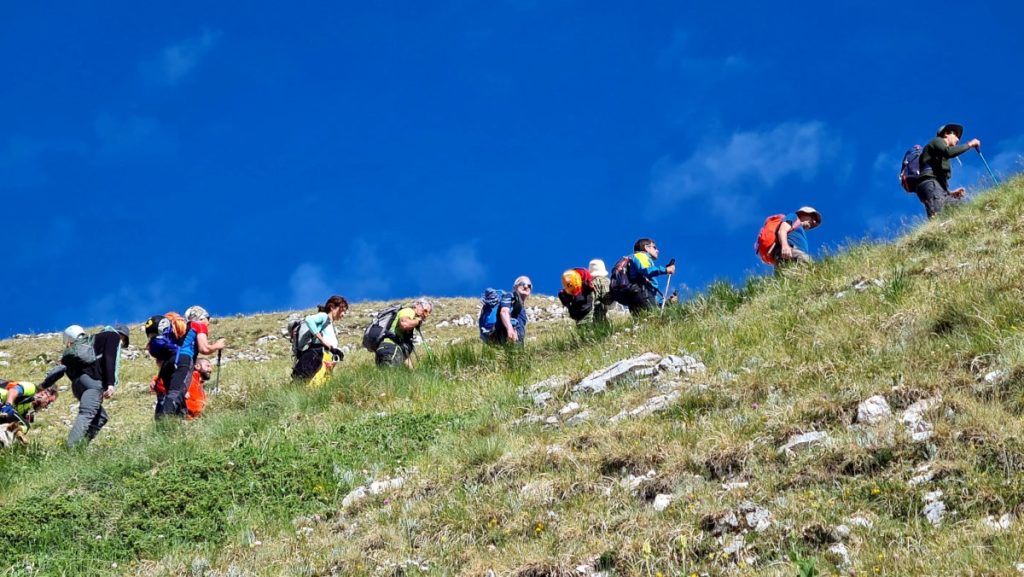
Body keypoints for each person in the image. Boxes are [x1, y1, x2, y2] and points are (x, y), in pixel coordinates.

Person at [48, 324, 130, 447]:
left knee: (101, 417)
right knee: (86, 414)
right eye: (123, 340)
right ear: (122, 336)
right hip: (93, 382)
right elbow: (109, 358)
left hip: (78, 385)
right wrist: (110, 384)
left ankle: (81, 447)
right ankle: (71, 450)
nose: (121, 343)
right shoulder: (112, 336)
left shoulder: (90, 341)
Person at [154, 306, 225, 419]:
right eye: (208, 318)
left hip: (169, 361)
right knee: (176, 392)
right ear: (202, 317)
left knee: (170, 393)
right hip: (184, 360)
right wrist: (218, 345)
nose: (208, 323)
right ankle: (166, 420)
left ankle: (170, 424)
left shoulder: (181, 328)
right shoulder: (199, 325)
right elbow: (204, 349)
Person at [914, 123, 981, 218]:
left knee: (958, 210)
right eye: (956, 135)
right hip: (930, 185)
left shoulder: (939, 157)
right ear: (946, 134)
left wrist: (950, 193)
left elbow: (937, 179)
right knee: (938, 217)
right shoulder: (937, 141)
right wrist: (969, 144)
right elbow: (948, 152)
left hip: (935, 187)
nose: (958, 139)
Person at [610, 239, 676, 315]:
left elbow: (650, 289)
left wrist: (666, 302)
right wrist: (665, 270)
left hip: (633, 297)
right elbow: (646, 270)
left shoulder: (631, 259)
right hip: (642, 294)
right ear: (646, 248)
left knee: (642, 323)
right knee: (653, 321)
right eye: (654, 247)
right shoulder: (641, 255)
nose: (657, 250)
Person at [292, 296, 348, 385]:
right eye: (342, 310)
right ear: (332, 307)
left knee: (322, 386)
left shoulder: (331, 325)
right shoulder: (324, 316)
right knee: (314, 386)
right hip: (319, 357)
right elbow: (309, 319)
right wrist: (322, 340)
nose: (343, 314)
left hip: (327, 360)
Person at [375, 299, 432, 368]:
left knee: (388, 377)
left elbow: (404, 353)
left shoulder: (402, 336)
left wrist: (413, 373)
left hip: (387, 349)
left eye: (428, 313)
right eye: (425, 311)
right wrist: (417, 321)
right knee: (389, 375)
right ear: (417, 305)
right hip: (390, 349)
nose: (425, 315)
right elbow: (405, 324)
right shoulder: (409, 311)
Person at [485, 277, 532, 345]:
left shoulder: (522, 308)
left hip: (517, 342)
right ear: (514, 287)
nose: (526, 286)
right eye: (522, 284)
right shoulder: (510, 296)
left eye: (529, 285)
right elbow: (504, 312)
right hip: (507, 339)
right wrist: (510, 329)